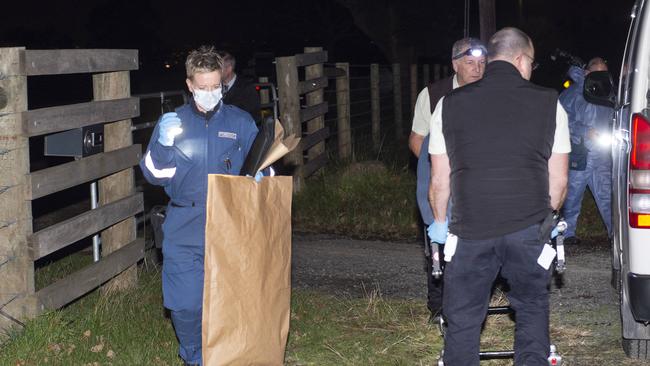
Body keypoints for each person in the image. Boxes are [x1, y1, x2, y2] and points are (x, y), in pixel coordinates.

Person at [428, 27, 570, 365]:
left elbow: (439, 179)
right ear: (521, 59)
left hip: (470, 229)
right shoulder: (551, 104)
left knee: (462, 318)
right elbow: (560, 180)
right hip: (528, 229)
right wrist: (545, 220)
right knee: (532, 308)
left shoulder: (448, 105)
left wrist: (439, 222)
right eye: (531, 63)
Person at [140, 45, 258, 366]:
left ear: (223, 82)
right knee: (184, 304)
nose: (209, 93)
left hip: (229, 223)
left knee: (229, 301)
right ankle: (195, 356)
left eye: (215, 87)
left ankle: (229, 353)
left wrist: (262, 178)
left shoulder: (242, 122)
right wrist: (163, 144)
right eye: (202, 87)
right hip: (184, 222)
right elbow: (153, 175)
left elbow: (264, 165)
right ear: (190, 85)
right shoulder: (173, 124)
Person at [410, 37, 487, 322]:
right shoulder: (432, 95)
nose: (477, 69)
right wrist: (438, 168)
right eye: (470, 63)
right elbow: (417, 139)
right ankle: (438, 307)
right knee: (438, 245)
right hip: (441, 182)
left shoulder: (492, 93)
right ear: (455, 64)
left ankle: (474, 305)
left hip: (480, 183)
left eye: (482, 63)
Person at [559, 57, 614, 244]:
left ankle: (615, 233)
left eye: (604, 73)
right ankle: (567, 234)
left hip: (603, 155)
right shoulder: (573, 92)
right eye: (598, 72)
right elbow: (560, 120)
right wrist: (584, 131)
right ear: (587, 72)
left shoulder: (608, 92)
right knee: (573, 195)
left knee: (607, 196)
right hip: (580, 153)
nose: (602, 76)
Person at [219, 51, 262, 121]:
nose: (214, 71)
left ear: (229, 69)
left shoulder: (246, 88)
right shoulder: (213, 88)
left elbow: (254, 117)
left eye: (218, 68)